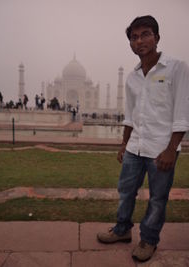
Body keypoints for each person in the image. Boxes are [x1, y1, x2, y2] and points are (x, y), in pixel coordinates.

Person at [97, 15, 189, 262]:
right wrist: (123, 144)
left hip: (162, 149)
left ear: (157, 37)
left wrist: (172, 149)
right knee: (126, 191)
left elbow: (182, 111)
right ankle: (122, 229)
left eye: (145, 34)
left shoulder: (177, 68)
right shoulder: (132, 77)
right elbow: (131, 115)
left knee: (157, 199)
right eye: (134, 37)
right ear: (130, 44)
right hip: (134, 148)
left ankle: (149, 240)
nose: (140, 41)